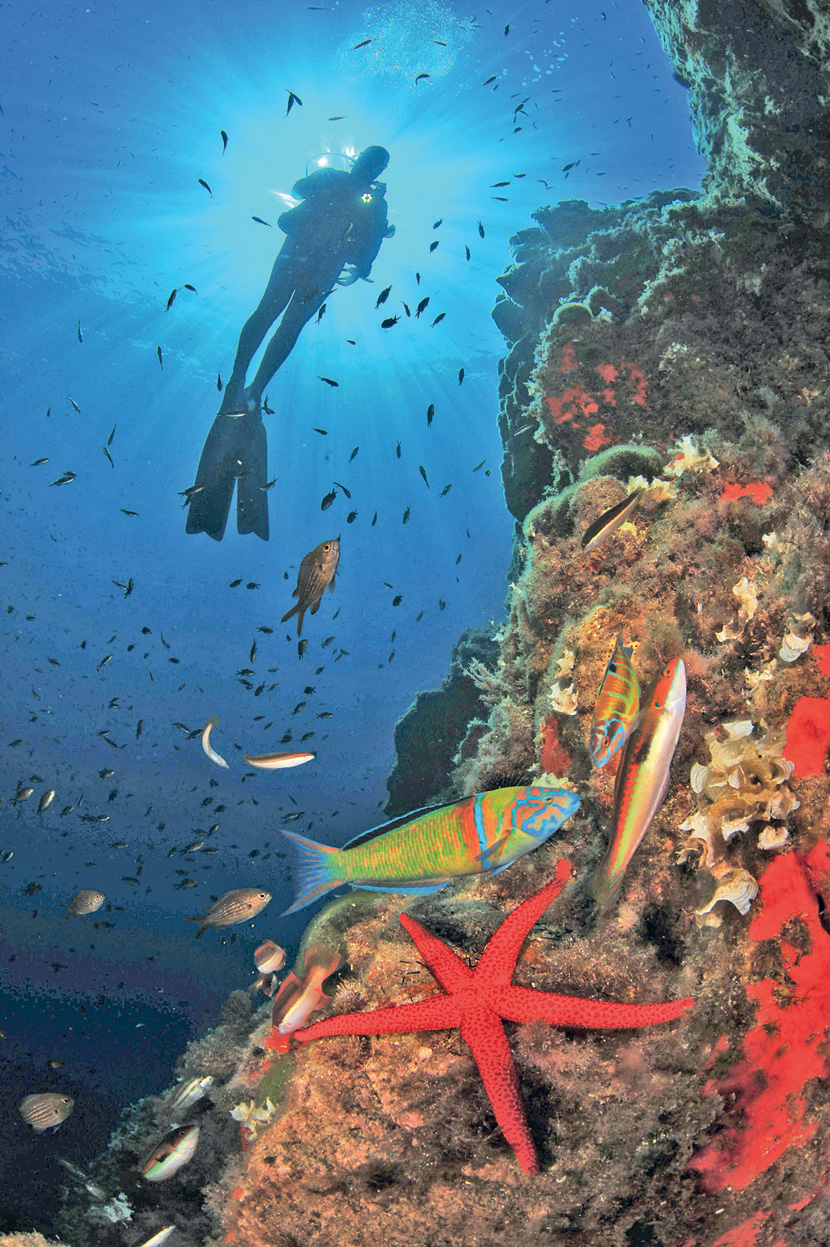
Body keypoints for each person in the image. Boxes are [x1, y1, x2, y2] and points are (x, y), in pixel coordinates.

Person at [186, 145, 394, 541]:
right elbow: (306, 195)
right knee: (273, 317)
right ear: (366, 163)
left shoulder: (365, 198)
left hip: (310, 262)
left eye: (375, 163)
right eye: (371, 161)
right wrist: (334, 189)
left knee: (281, 322)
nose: (369, 167)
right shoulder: (345, 185)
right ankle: (243, 382)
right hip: (306, 259)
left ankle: (250, 385)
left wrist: (343, 199)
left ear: (373, 167)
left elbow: (364, 251)